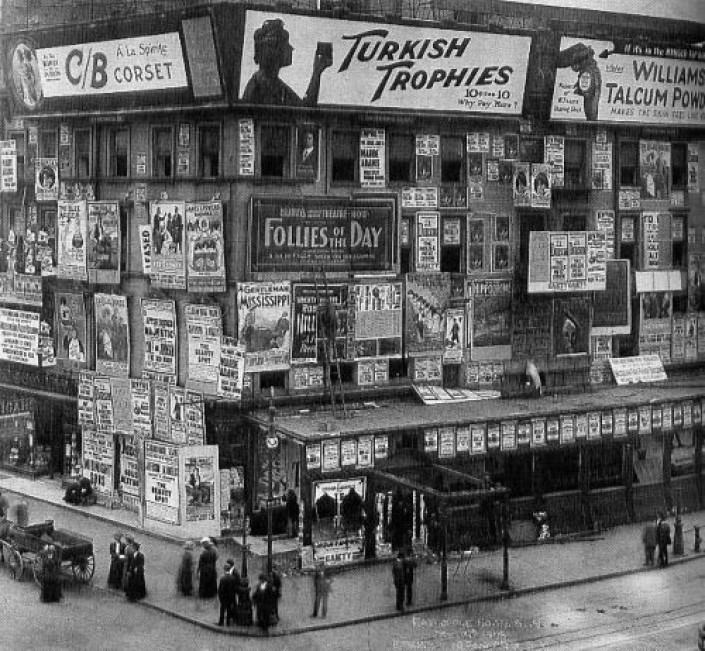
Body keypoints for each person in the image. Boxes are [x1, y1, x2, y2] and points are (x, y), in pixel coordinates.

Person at [242, 18, 331, 106]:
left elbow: (305, 109)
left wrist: (317, 72)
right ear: (273, 50)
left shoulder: (274, 83)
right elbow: (305, 111)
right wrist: (316, 73)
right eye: (285, 44)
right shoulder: (262, 84)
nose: (290, 49)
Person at [217, 561, 238, 626]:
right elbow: (234, 588)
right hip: (230, 597)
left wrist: (220, 597)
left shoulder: (223, 579)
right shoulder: (233, 578)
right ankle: (228, 622)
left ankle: (221, 622)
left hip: (224, 597)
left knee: (222, 609)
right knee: (229, 609)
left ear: (225, 569)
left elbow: (220, 589)